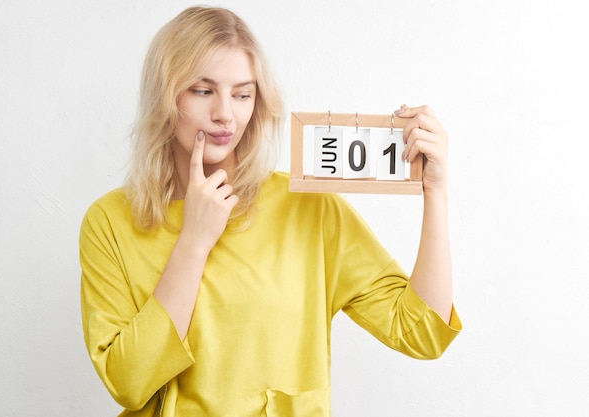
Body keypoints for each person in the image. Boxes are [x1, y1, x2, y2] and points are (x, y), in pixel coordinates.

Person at [79, 5, 461, 417]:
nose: (225, 113)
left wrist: (435, 192)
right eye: (203, 90)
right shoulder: (109, 222)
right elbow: (127, 383)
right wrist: (192, 243)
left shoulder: (308, 207)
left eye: (242, 94)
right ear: (165, 97)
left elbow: (422, 333)